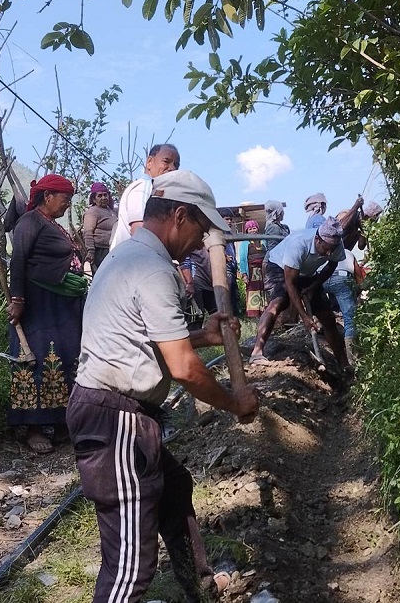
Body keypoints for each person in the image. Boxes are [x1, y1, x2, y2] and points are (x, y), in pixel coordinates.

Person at [70, 169, 259, 603]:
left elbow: (146, 342)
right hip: (114, 419)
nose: (201, 241)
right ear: (179, 216)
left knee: (174, 488)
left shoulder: (130, 257)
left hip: (121, 411)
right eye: (201, 228)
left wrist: (205, 336)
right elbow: (185, 369)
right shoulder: (151, 269)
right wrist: (236, 403)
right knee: (130, 565)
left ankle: (199, 586)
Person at [6, 174, 89, 455]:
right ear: (48, 197)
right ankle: (34, 427)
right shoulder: (29, 222)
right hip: (39, 305)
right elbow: (18, 260)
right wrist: (18, 300)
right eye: (65, 199)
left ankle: (63, 419)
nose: (67, 205)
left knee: (66, 358)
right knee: (38, 359)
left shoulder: (51, 224)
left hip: (61, 305)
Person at [248, 217, 351, 374]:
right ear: (317, 239)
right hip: (278, 265)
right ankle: (257, 352)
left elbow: (332, 265)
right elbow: (290, 283)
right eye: (326, 248)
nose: (329, 252)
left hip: (307, 272)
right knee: (279, 301)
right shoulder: (299, 244)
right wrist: (304, 317)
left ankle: (344, 365)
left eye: (333, 249)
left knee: (327, 316)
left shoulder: (335, 244)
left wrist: (312, 287)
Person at [109, 143, 181, 252]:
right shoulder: (144, 186)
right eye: (166, 161)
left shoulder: (155, 191)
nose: (172, 168)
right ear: (149, 162)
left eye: (176, 165)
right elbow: (138, 230)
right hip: (131, 261)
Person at [82, 181, 117, 274]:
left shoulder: (112, 211)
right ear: (94, 199)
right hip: (101, 252)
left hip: (113, 249)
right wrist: (91, 251)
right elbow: (88, 232)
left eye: (105, 195)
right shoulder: (92, 212)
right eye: (100, 196)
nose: (104, 198)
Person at [237, 220, 267, 318]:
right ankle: (254, 315)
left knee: (264, 291)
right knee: (253, 292)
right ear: (247, 231)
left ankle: (265, 312)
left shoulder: (263, 241)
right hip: (252, 271)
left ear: (257, 229)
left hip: (263, 272)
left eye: (254, 228)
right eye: (250, 229)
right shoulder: (245, 243)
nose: (252, 231)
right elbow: (242, 259)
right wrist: (244, 274)